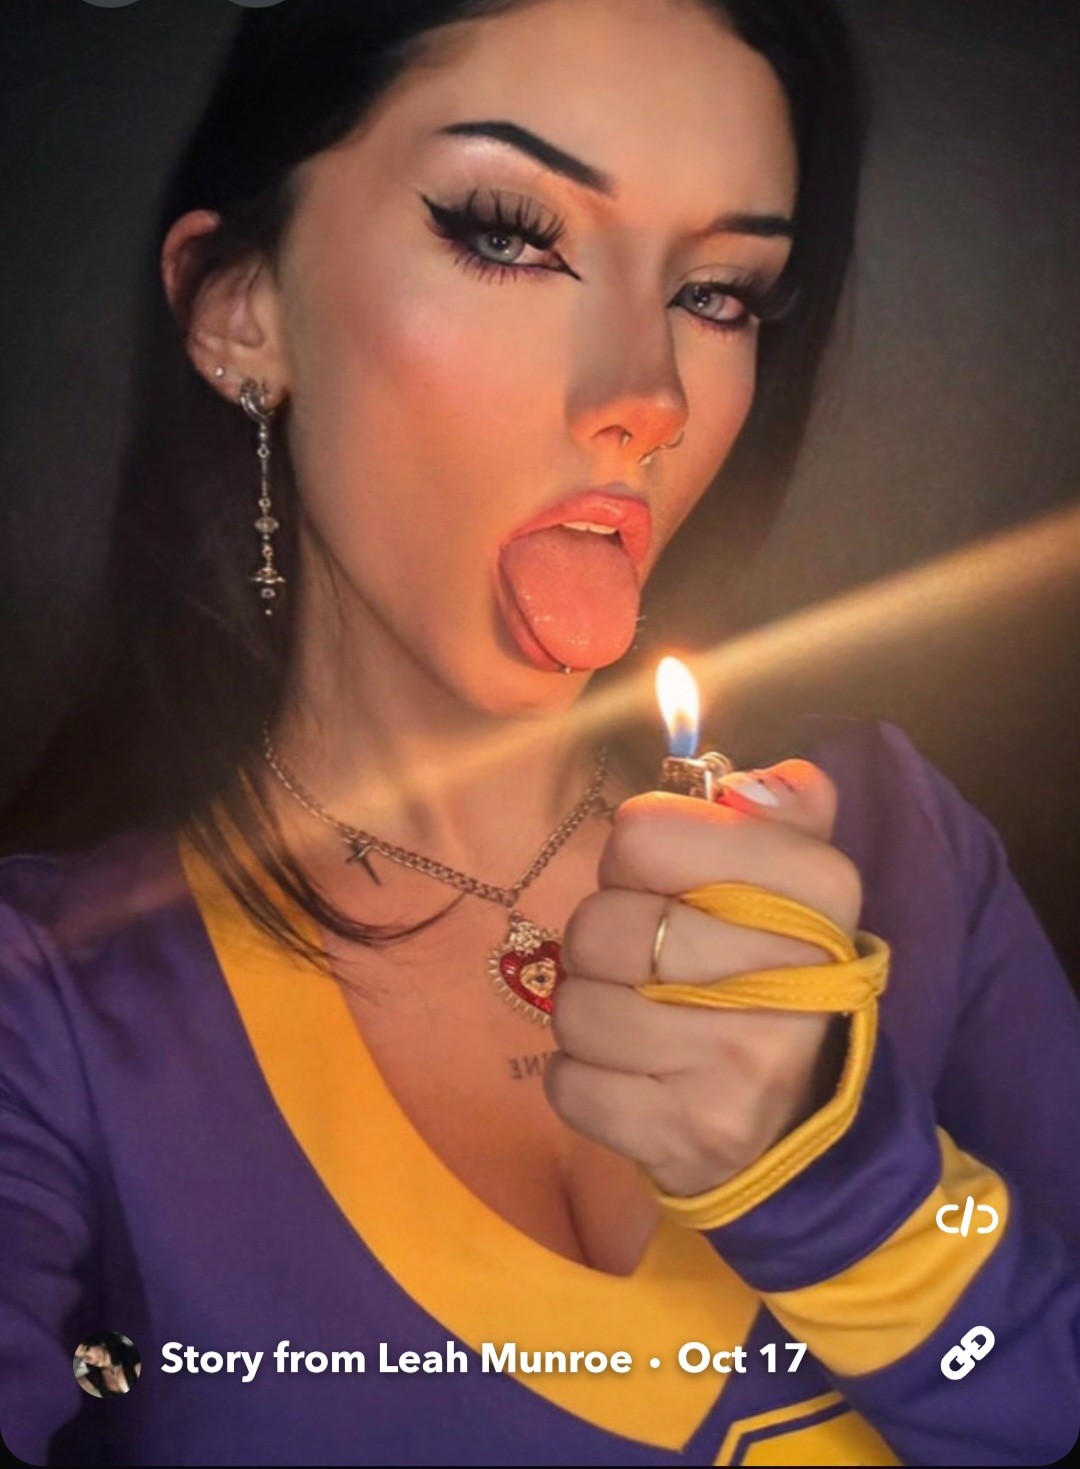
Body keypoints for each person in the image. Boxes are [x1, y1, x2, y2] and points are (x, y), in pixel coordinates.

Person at [0, 2, 1077, 1465]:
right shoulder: (55, 1005)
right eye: (509, 235)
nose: (647, 397)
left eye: (718, 293)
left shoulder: (898, 843)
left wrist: (852, 1189)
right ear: (242, 310)